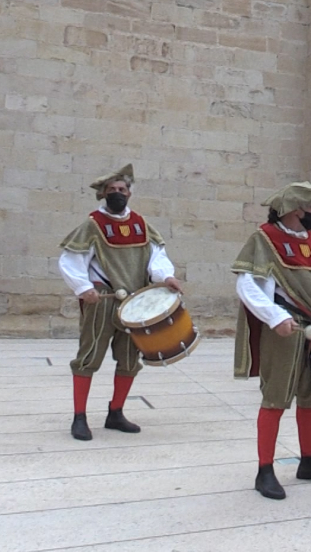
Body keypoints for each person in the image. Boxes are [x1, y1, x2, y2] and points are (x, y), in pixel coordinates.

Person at [232, 181, 311, 500]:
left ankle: (309, 460)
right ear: (295, 210)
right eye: (310, 209)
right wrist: (274, 317)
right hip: (286, 327)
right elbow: (248, 286)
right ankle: (264, 470)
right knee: (276, 397)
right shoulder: (264, 238)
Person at [59, 164, 183, 442]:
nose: (117, 193)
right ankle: (79, 417)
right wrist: (83, 287)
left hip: (136, 302)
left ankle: (116, 412)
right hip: (103, 300)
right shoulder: (92, 225)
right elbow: (71, 260)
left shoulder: (141, 223)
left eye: (122, 189)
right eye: (112, 190)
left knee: (129, 359)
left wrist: (167, 277)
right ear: (103, 194)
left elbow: (156, 257)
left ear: (129, 193)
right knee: (89, 356)